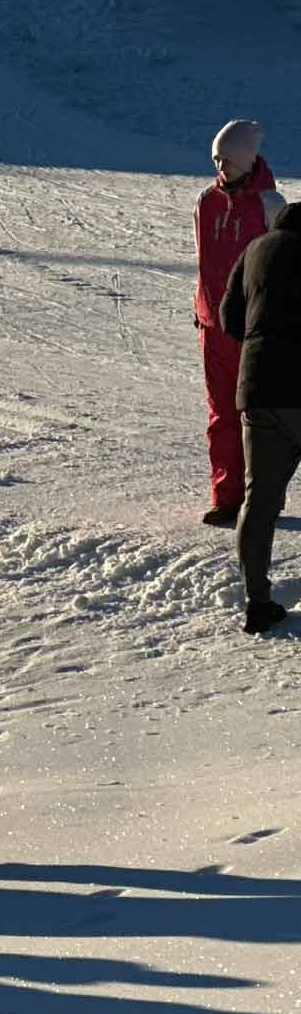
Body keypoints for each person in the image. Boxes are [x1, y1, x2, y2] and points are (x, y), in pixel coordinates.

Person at [195, 120, 286, 527]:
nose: (220, 166)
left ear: (247, 159)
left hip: (254, 329)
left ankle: (258, 498)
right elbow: (205, 262)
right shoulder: (206, 202)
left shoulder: (270, 205)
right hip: (214, 327)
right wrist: (204, 310)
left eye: (227, 159)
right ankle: (225, 497)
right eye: (216, 158)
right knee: (220, 414)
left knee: (258, 415)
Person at [220, 199, 301, 635]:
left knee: (260, 500)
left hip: (258, 389)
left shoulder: (254, 250)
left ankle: (257, 602)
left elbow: (227, 319)